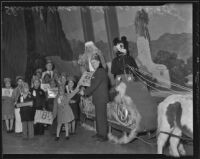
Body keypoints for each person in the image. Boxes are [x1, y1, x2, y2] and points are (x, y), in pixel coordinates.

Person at [79, 54, 109, 142]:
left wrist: (84, 92)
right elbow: (92, 84)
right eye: (92, 63)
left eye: (94, 62)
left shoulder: (100, 71)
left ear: (99, 62)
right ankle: (99, 133)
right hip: (98, 98)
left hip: (101, 98)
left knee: (101, 117)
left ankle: (103, 136)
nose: (93, 64)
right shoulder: (97, 71)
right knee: (98, 117)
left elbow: (94, 85)